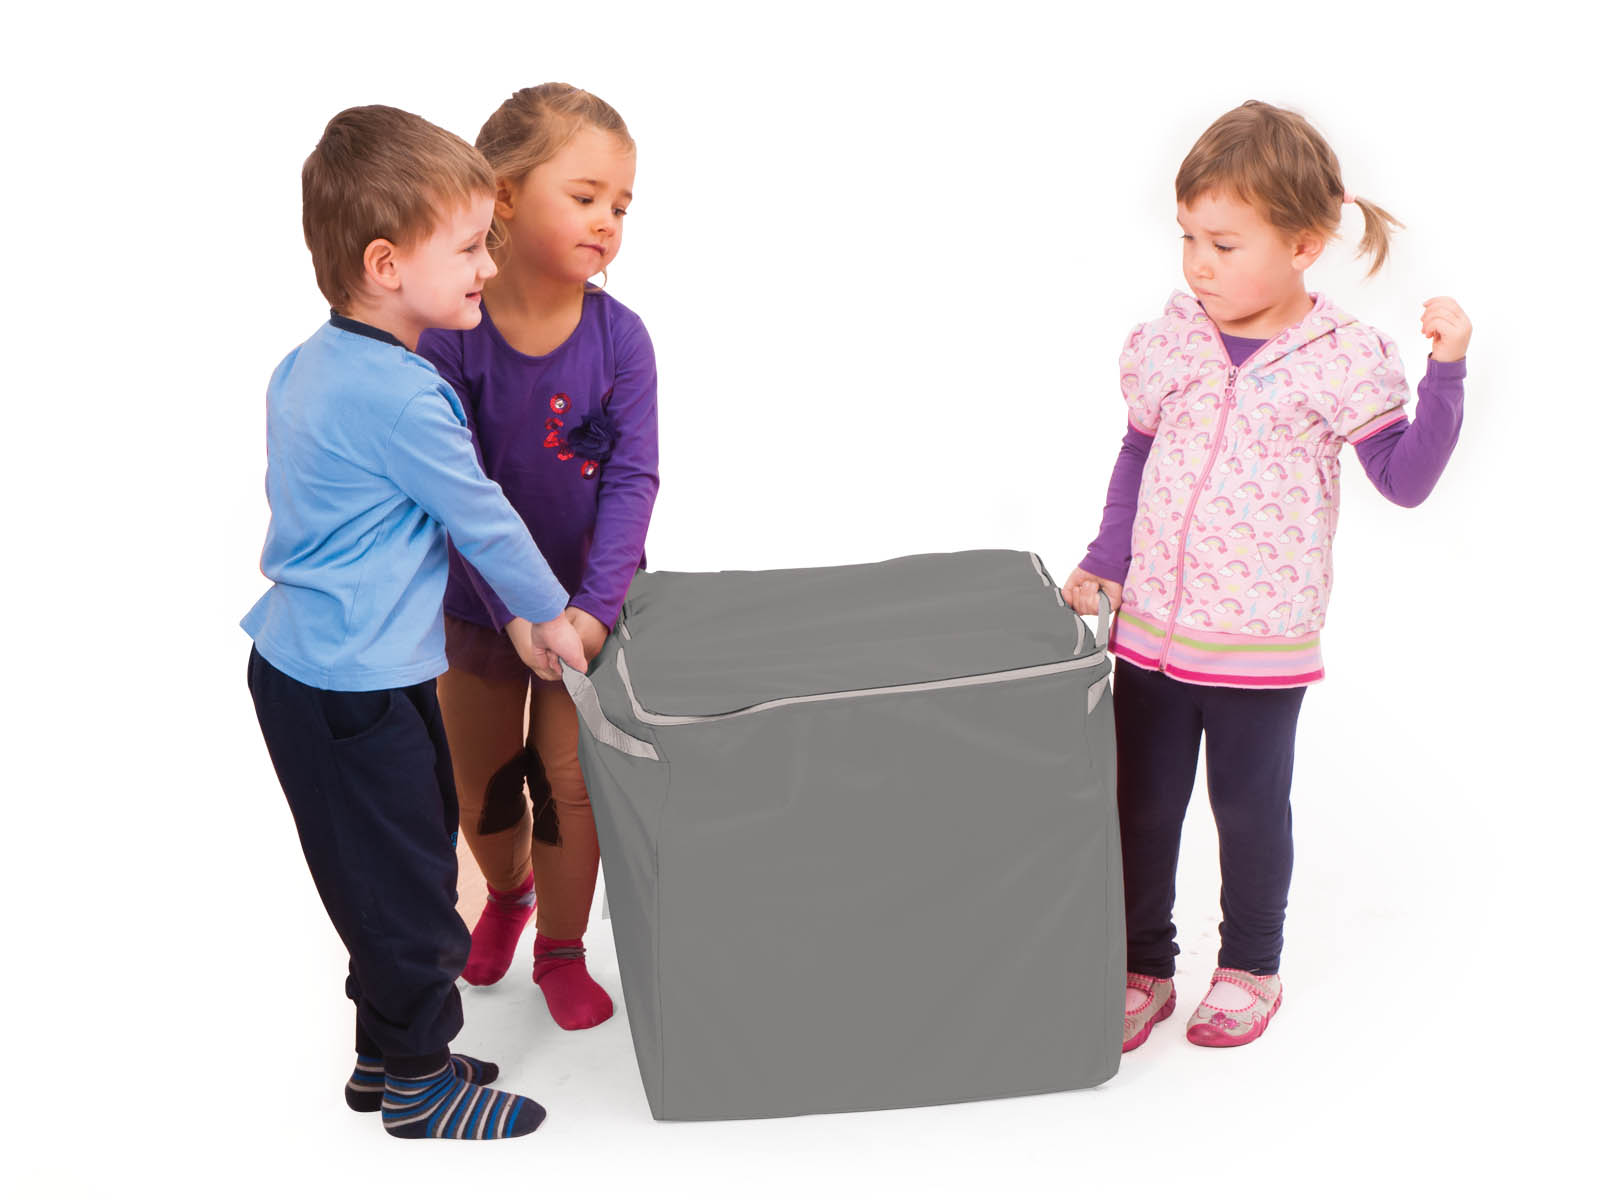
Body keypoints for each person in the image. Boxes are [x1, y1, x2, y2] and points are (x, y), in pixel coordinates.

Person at [1062, 100, 1471, 1052]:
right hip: (1149, 632)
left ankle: (1250, 967)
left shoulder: (1343, 359)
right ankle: (1143, 966)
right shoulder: (1171, 340)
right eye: (1188, 238)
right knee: (1140, 807)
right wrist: (1106, 557)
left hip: (1258, 644)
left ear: (1302, 246)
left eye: (1223, 243)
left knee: (1247, 812)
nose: (1198, 264)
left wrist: (1446, 375)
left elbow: (1405, 481)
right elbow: (1138, 453)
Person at [242, 104, 589, 1138]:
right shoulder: (402, 396)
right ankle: (420, 1089)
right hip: (348, 683)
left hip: (331, 671)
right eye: (471, 247)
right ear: (386, 264)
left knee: (386, 868)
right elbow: (483, 517)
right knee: (407, 888)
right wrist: (549, 615)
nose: (489, 265)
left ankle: (386, 1056)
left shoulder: (309, 364)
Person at [417, 83, 658, 1031]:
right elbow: (454, 494)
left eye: (622, 206)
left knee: (570, 779)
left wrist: (590, 614)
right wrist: (516, 612)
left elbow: (632, 481)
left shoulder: (621, 338)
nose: (609, 222)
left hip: (590, 616)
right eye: (587, 196)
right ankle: (507, 893)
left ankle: (561, 946)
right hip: (478, 613)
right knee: (479, 779)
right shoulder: (449, 340)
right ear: (506, 197)